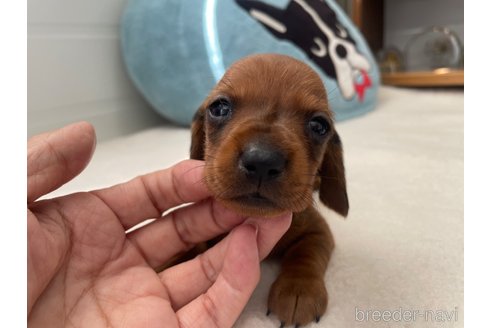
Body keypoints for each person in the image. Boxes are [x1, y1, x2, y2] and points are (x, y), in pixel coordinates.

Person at [27, 122, 292, 327]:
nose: (261, 155)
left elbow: (315, 238)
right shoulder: (206, 207)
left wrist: (305, 270)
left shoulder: (291, 213)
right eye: (221, 109)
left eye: (316, 127)